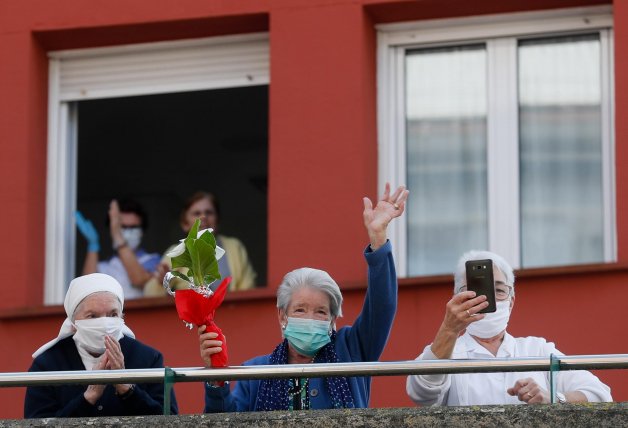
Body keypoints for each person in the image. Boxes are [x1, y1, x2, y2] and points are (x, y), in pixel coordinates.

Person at [199, 183, 409, 411]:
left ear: (332, 320)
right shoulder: (256, 372)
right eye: (300, 309)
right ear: (282, 315)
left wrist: (378, 237)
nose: (310, 319)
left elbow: (382, 307)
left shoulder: (351, 350)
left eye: (321, 311)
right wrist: (216, 376)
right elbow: (224, 421)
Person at [406, 250, 612, 406]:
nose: (488, 298)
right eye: (474, 291)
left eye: (499, 290)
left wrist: (554, 398)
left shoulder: (537, 349)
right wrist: (449, 330)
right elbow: (421, 392)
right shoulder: (444, 353)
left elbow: (600, 394)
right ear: (457, 300)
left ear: (512, 301)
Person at [24, 273, 178, 418]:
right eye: (92, 316)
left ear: (122, 316)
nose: (104, 323)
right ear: (73, 322)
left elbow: (170, 419)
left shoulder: (148, 358)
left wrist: (126, 387)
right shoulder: (48, 364)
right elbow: (36, 421)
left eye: (112, 315)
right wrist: (89, 396)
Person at [144, 191, 256, 296]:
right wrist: (162, 282)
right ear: (185, 223)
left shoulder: (234, 247)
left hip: (231, 315)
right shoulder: (177, 251)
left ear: (217, 219)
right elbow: (149, 294)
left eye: (209, 212)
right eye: (196, 213)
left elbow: (248, 288)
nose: (203, 217)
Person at [76, 199, 161, 299]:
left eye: (133, 227)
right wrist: (93, 246)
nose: (128, 231)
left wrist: (118, 238)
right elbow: (86, 291)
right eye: (122, 227)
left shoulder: (154, 260)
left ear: (143, 231)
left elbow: (138, 280)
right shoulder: (105, 266)